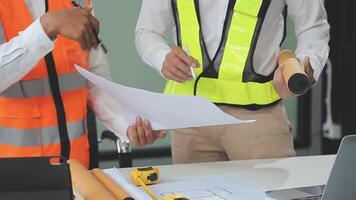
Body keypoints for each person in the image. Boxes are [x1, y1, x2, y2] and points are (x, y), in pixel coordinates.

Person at [136, 0, 330, 163]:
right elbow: (147, 31)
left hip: (258, 118)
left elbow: (313, 26)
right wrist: (162, 58)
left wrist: (304, 69)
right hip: (192, 117)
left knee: (269, 194)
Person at [0, 0, 166, 168]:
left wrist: (127, 124)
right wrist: (45, 28)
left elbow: (94, 78)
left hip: (76, 169)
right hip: (13, 173)